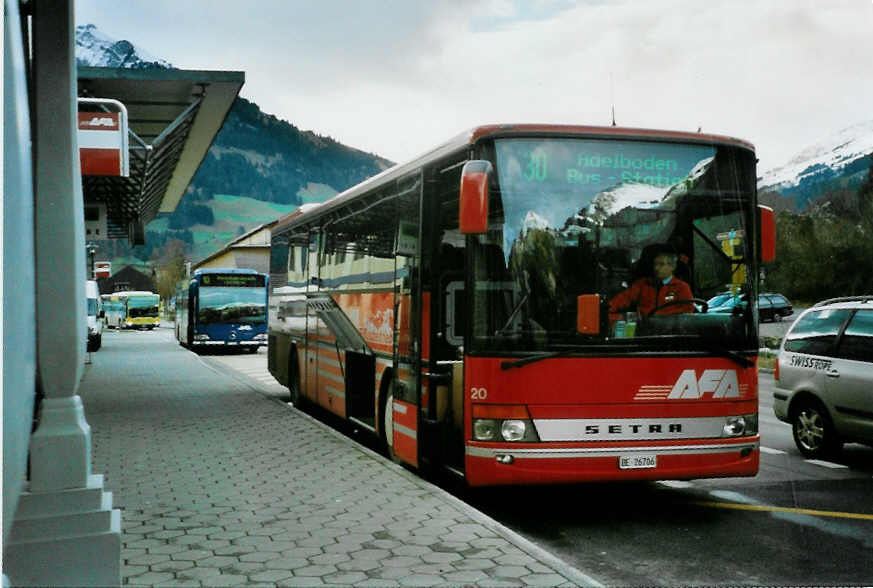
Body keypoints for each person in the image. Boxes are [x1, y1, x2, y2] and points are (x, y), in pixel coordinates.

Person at [609, 245, 694, 319]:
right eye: (655, 264)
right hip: (644, 328)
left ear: (672, 266)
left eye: (661, 264)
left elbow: (688, 310)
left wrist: (657, 315)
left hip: (670, 329)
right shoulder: (642, 284)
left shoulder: (681, 287)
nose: (656, 268)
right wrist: (607, 311)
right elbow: (620, 301)